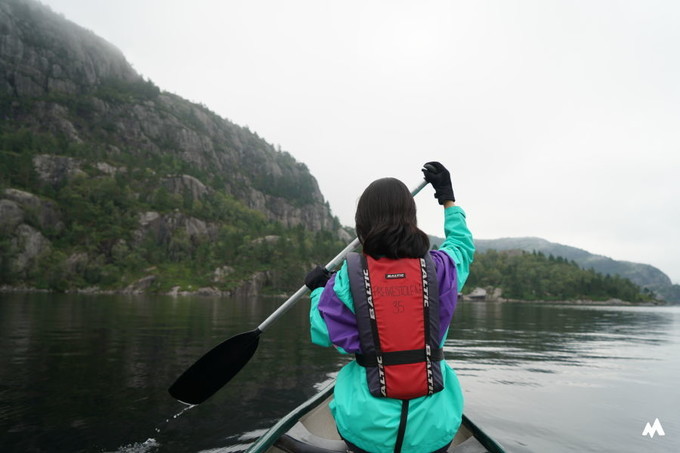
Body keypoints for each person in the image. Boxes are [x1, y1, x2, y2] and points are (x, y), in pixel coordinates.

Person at [304, 161, 475, 453]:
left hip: (366, 430)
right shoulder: (443, 269)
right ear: (411, 219)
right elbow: (461, 245)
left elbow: (322, 332)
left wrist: (318, 291)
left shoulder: (345, 281)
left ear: (362, 225)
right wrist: (447, 199)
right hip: (433, 429)